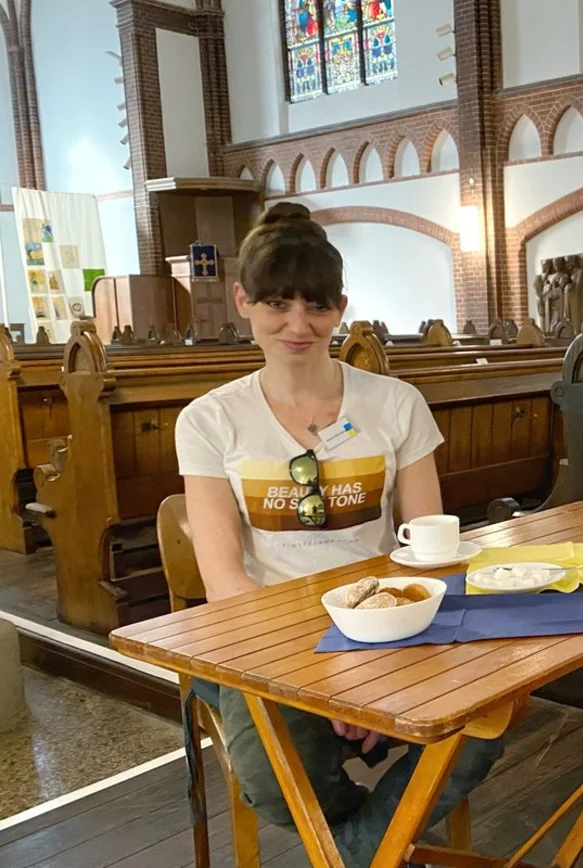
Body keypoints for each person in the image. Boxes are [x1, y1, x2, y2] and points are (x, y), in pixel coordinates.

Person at [174, 202, 503, 868]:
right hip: (269, 639)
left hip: (390, 622)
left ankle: (355, 855)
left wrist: (369, 664)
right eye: (277, 304)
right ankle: (382, 848)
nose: (298, 324)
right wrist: (322, 685)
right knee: (270, 780)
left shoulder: (394, 403)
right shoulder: (210, 421)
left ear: (341, 306)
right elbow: (226, 583)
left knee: (490, 720)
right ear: (243, 301)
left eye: (317, 306)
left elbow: (427, 549)